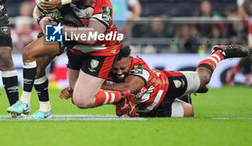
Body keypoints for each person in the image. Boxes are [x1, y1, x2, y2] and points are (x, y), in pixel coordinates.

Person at [60, 44, 249, 117]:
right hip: (149, 110)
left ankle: (219, 52)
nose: (118, 72)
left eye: (123, 69)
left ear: (130, 62)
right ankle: (188, 95)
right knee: (190, 114)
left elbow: (129, 87)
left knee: (204, 78)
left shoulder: (138, 66)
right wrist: (74, 90)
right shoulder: (106, 70)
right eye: (115, 69)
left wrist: (91, 88)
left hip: (167, 86)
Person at [57, 0, 133, 111]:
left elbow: (91, 38)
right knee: (75, 96)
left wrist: (57, 29)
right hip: (76, 48)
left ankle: (124, 96)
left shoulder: (104, 6)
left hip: (101, 50)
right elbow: (39, 10)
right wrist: (41, 20)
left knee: (81, 101)